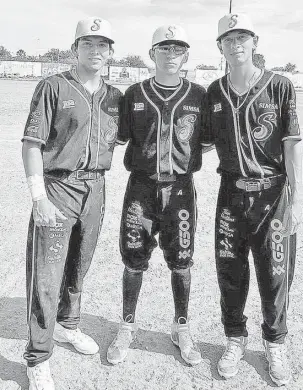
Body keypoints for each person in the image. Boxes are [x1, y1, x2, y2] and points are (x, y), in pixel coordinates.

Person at [202, 13, 303, 386]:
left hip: (273, 194)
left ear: (255, 41)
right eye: (228, 39)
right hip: (231, 195)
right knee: (230, 270)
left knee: (276, 275)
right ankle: (234, 338)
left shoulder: (280, 85)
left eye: (242, 36)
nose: (236, 43)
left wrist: (299, 201)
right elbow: (203, 141)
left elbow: (293, 146)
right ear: (220, 47)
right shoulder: (214, 91)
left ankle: (275, 342)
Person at [22, 17, 122, 390]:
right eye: (88, 44)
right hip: (58, 187)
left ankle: (68, 326)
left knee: (79, 266)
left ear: (111, 52)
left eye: (103, 45)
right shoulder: (53, 86)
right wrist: (38, 198)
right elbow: (32, 144)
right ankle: (37, 356)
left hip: (96, 187)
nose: (96, 51)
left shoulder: (115, 97)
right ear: (74, 48)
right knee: (46, 275)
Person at [107, 25, 207, 366]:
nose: (171, 54)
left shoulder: (199, 95)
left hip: (180, 189)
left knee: (181, 260)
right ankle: (127, 324)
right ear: (152, 54)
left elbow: (204, 141)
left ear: (186, 55)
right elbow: (120, 136)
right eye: (164, 48)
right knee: (134, 257)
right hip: (141, 187)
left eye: (178, 48)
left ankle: (181, 326)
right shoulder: (134, 93)